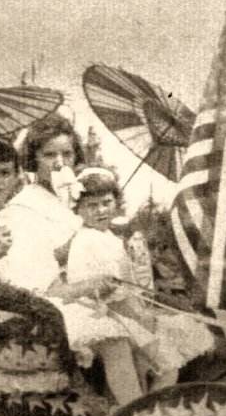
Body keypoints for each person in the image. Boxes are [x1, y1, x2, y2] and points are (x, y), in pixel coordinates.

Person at [0, 135, 147, 408]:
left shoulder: (25, 217)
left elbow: (52, 282)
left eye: (4, 173)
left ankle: (119, 411)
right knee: (113, 339)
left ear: (16, 175)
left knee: (132, 328)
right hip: (13, 319)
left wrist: (92, 279)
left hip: (48, 305)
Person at [66, 166, 217, 388]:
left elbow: (128, 282)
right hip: (107, 315)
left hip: (124, 311)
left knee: (161, 367)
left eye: (106, 202)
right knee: (166, 366)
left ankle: (147, 402)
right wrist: (140, 315)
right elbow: (106, 290)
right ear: (77, 209)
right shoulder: (88, 240)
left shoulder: (107, 237)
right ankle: (142, 406)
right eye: (92, 205)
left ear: (116, 202)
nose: (101, 210)